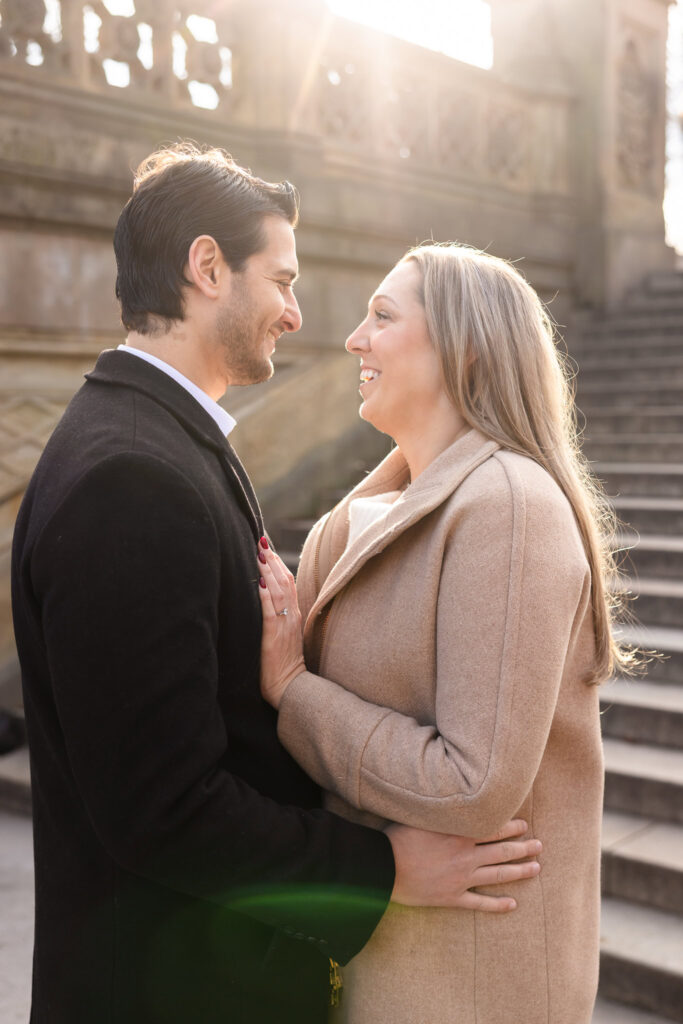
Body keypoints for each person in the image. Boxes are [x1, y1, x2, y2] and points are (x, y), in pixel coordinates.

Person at [11, 147, 542, 1024]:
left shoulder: (159, 438)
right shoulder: (131, 477)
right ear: (207, 267)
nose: (297, 314)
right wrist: (385, 871)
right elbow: (163, 807)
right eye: (283, 280)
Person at [258, 242, 633, 1023]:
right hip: (374, 962)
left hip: (468, 985)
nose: (354, 339)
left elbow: (472, 783)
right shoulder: (350, 518)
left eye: (383, 317)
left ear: (462, 348)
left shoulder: (509, 509)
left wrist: (293, 693)